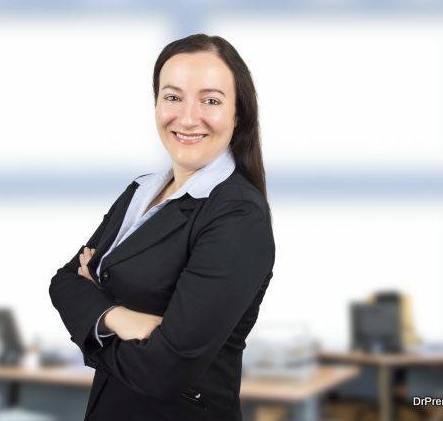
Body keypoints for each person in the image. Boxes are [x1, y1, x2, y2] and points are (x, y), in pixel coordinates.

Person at [49, 33, 275, 421]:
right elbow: (64, 281)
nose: (187, 117)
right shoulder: (141, 190)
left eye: (210, 100)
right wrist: (119, 319)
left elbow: (165, 370)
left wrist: (91, 316)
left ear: (238, 114)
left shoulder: (239, 217)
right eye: (172, 97)